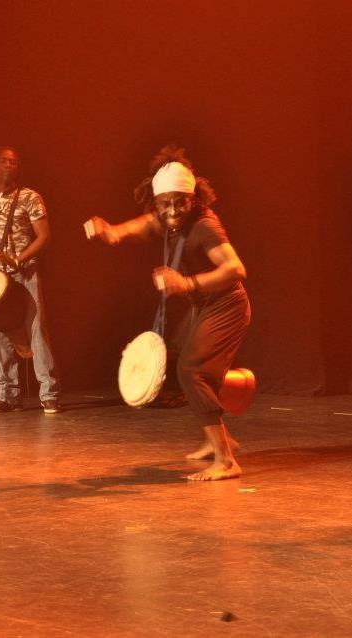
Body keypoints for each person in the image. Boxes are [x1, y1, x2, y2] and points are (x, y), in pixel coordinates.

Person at [86, 145, 251, 480]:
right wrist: (110, 231)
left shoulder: (204, 226)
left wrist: (186, 283)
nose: (173, 210)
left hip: (228, 305)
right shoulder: (165, 218)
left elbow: (236, 270)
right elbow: (140, 227)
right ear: (156, 201)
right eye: (166, 203)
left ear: (194, 198)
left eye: (180, 202)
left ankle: (225, 460)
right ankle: (222, 436)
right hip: (205, 304)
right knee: (179, 362)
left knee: (192, 371)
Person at [0, 146, 60, 414]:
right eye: (4, 161)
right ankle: (8, 396)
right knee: (0, 333)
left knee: (36, 329)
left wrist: (18, 259)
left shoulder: (30, 197)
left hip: (25, 273)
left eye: (14, 162)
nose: (9, 165)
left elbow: (44, 236)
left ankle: (49, 393)